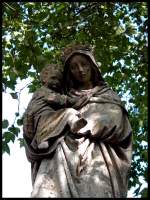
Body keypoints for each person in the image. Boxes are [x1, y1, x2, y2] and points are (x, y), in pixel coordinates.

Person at [24, 44, 132, 198]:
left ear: (92, 66)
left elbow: (117, 123)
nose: (80, 70)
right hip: (59, 158)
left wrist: (84, 125)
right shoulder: (62, 98)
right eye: (74, 67)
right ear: (69, 73)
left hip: (95, 160)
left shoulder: (107, 96)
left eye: (84, 64)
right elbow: (37, 125)